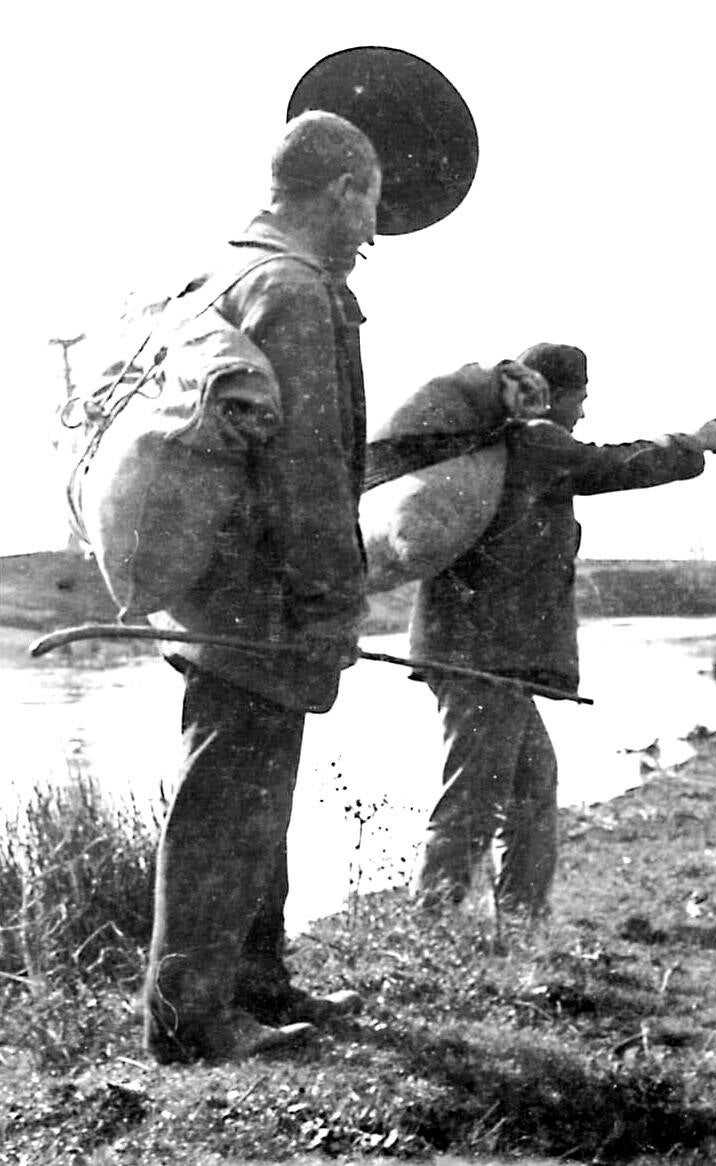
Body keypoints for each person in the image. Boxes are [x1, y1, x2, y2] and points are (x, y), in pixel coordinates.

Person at [142, 110, 382, 1064]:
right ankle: (190, 1024)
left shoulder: (229, 271)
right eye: (370, 208)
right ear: (344, 190)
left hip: (212, 593)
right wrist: (334, 602)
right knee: (227, 803)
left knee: (251, 795)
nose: (372, 234)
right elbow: (307, 471)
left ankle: (255, 982)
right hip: (263, 598)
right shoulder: (290, 288)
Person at [409, 343, 716, 917]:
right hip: (480, 657)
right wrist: (692, 444)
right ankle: (433, 924)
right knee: (474, 796)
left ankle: (523, 920)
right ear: (554, 395)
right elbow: (612, 465)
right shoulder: (535, 441)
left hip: (476, 651)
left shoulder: (508, 441)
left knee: (530, 788)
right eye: (580, 397)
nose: (583, 413)